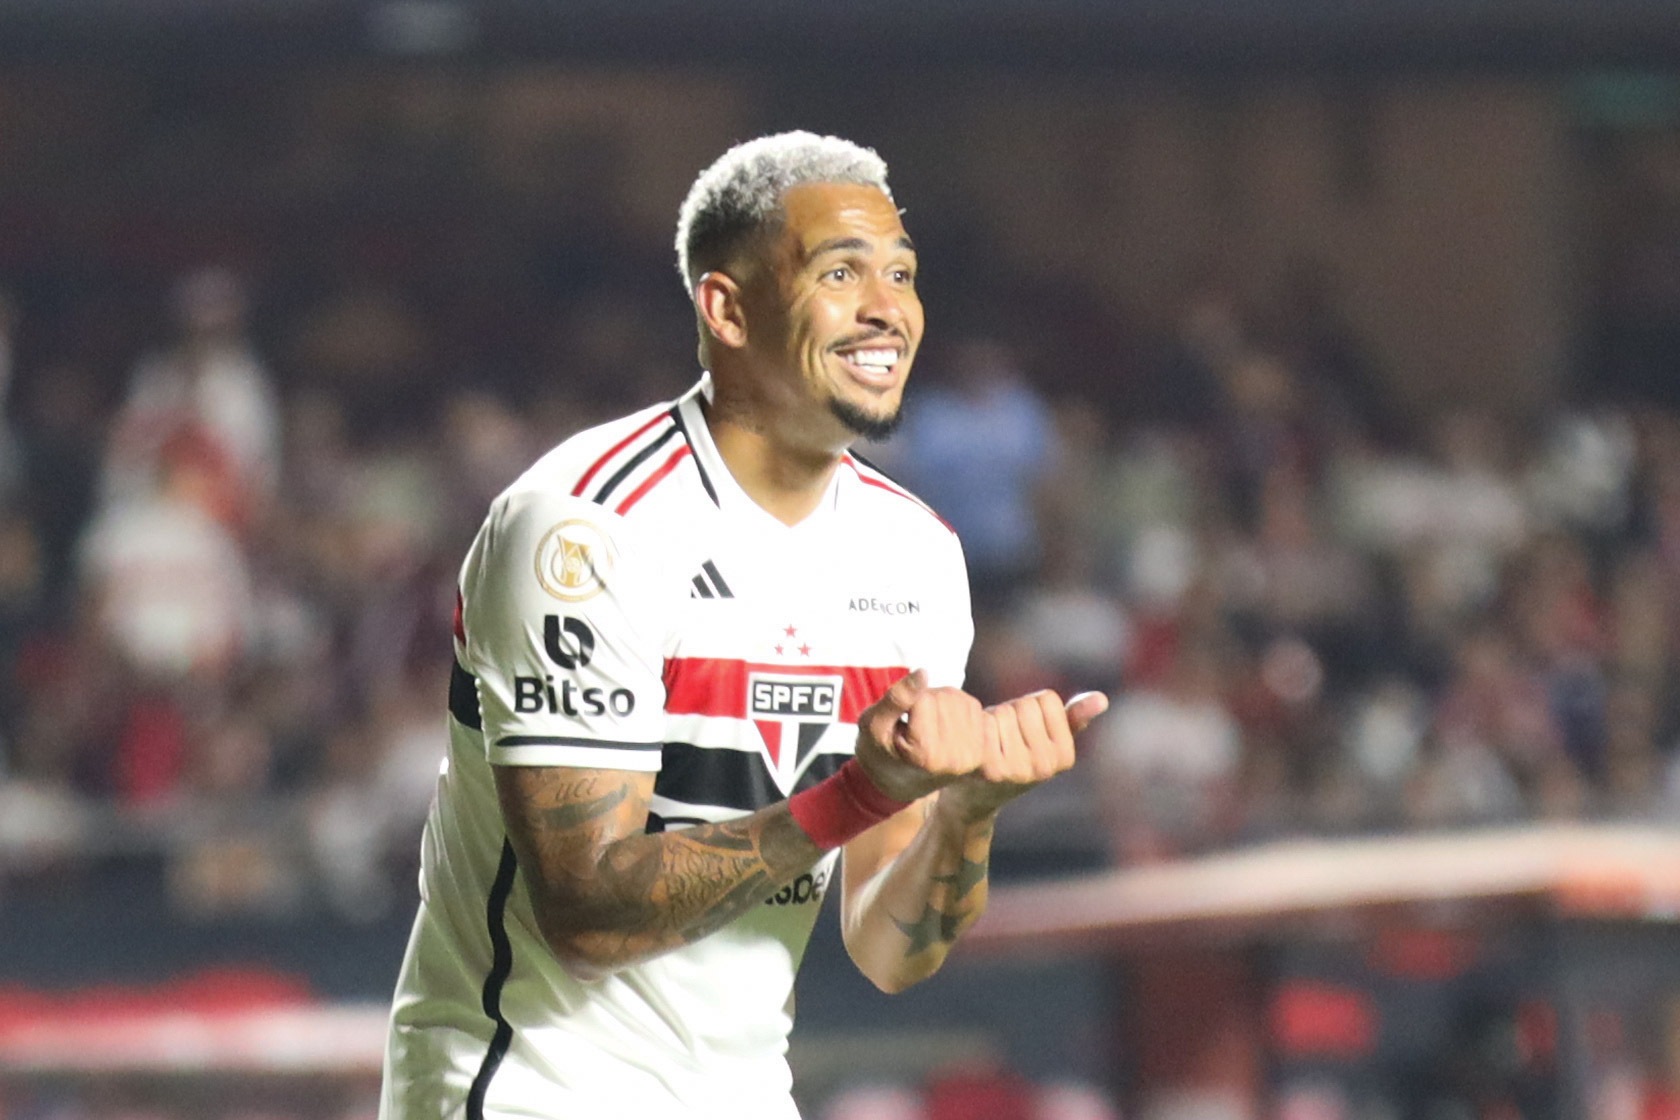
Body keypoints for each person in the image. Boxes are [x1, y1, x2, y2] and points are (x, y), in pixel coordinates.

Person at [378, 131, 1108, 1120]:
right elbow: (586, 909)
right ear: (725, 306)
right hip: (528, 1096)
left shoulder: (917, 557)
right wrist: (852, 797)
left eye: (901, 272)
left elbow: (891, 949)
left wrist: (967, 811)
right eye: (840, 272)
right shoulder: (585, 526)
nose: (887, 307)